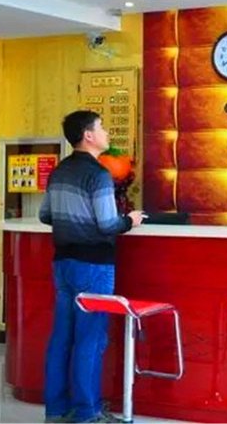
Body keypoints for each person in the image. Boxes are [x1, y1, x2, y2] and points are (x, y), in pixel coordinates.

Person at [39, 110, 145, 423]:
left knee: (62, 337)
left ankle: (56, 410)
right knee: (91, 337)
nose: (106, 133)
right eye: (101, 127)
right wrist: (131, 220)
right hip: (94, 266)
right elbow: (108, 224)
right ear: (88, 135)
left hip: (63, 263)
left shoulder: (59, 171)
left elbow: (46, 215)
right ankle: (87, 412)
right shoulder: (98, 175)